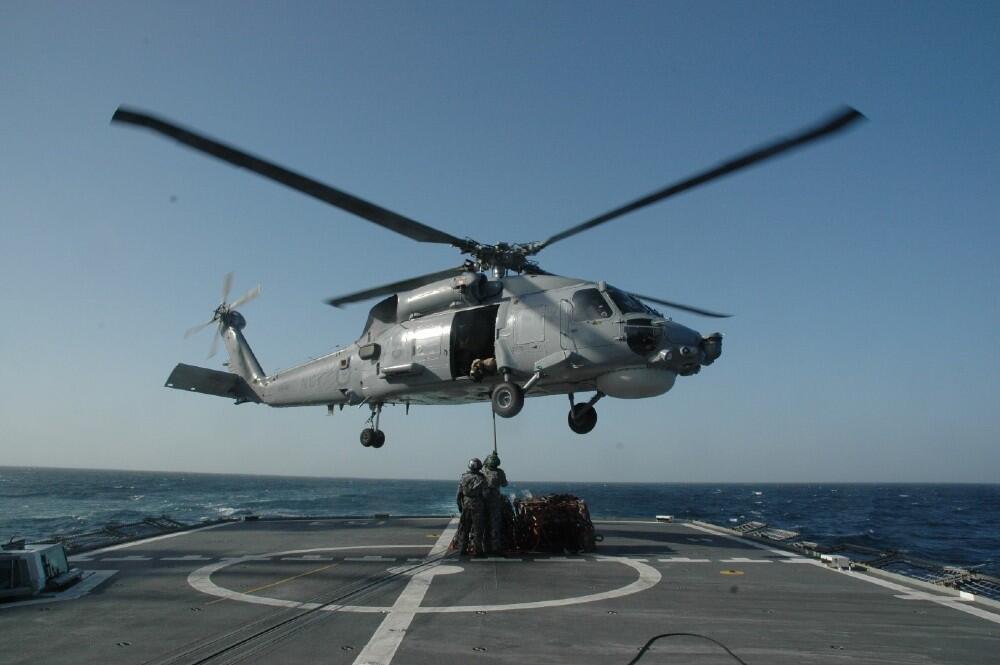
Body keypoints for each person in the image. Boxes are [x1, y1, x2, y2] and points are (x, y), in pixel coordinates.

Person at [452, 458, 487, 556]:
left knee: (464, 528)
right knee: (478, 529)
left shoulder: (464, 477)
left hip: (466, 506)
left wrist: (460, 506)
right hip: (478, 507)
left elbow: (458, 494)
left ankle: (462, 549)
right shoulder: (482, 478)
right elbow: (485, 494)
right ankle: (478, 551)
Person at [482, 452, 509, 554]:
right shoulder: (500, 472)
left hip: (484, 501)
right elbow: (504, 484)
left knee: (484, 524)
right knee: (495, 524)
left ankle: (484, 546)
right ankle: (495, 547)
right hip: (494, 501)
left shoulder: (482, 471)